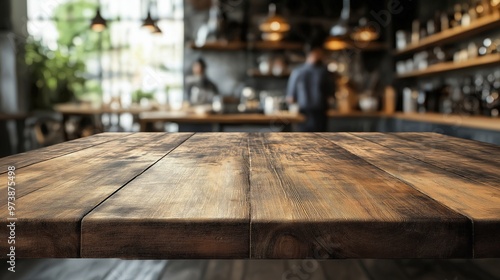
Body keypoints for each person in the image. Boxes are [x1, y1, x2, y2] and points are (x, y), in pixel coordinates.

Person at [286, 45, 335, 132]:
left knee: (319, 137)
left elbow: (331, 92)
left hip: (320, 111)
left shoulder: (324, 72)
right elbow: (290, 97)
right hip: (305, 111)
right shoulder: (299, 71)